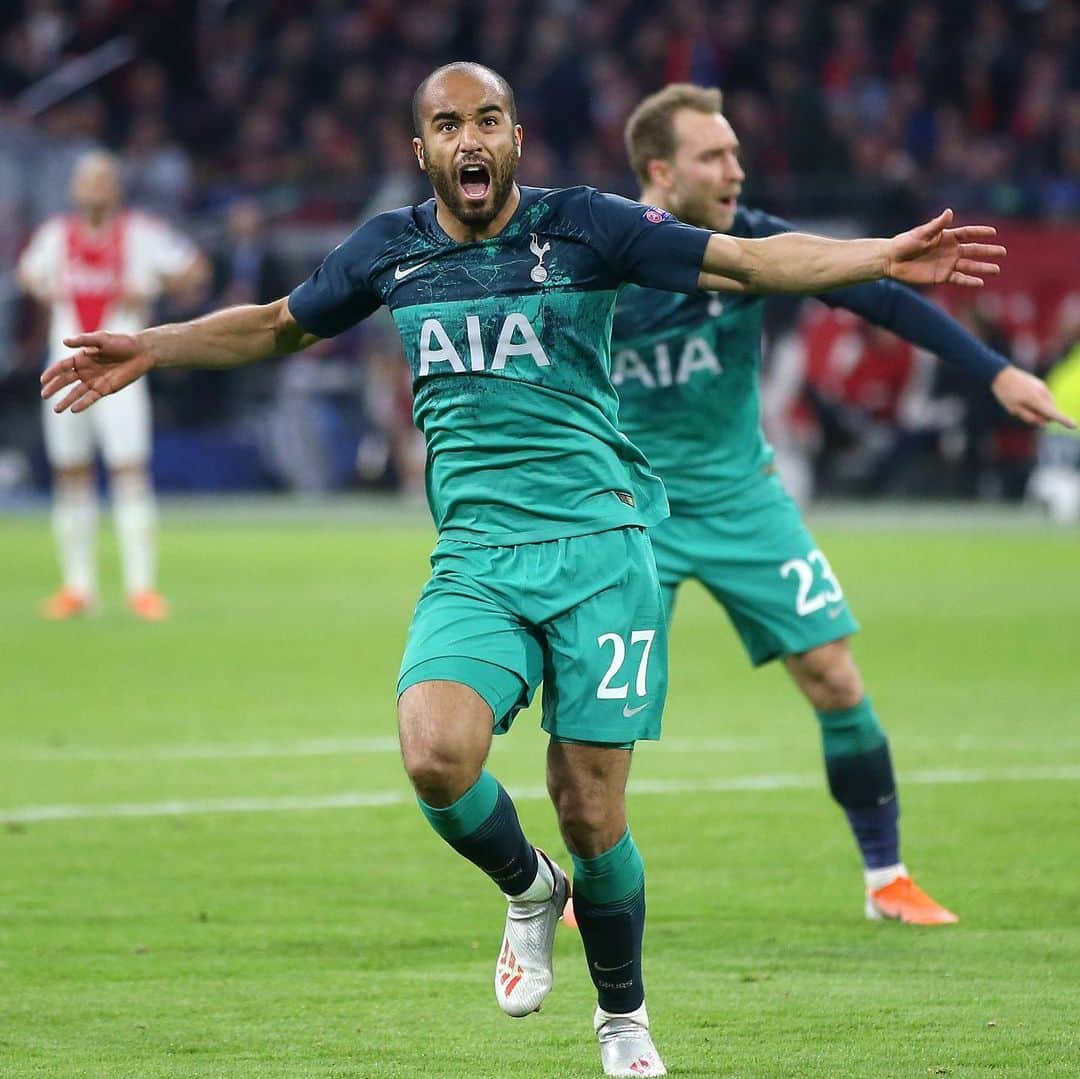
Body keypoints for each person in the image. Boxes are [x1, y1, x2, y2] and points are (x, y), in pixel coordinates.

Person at [41, 63, 1008, 1078]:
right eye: (448, 123)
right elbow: (278, 322)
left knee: (592, 808)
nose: (471, 138)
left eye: (489, 119)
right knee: (433, 752)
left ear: (514, 140)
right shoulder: (390, 250)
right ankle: (529, 884)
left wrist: (879, 256)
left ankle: (624, 1018)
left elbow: (749, 262)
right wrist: (152, 343)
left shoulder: (585, 228)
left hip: (603, 554)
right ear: (422, 150)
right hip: (478, 561)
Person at [604, 83, 1073, 927]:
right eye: (713, 157)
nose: (735, 170)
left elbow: (882, 296)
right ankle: (591, 882)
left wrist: (995, 371)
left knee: (833, 673)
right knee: (608, 711)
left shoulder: (753, 243)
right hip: (632, 511)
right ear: (659, 170)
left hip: (745, 500)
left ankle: (886, 877)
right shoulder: (601, 262)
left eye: (737, 152)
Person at [17, 150, 209, 620]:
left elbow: (195, 268)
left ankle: (141, 587)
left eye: (104, 180)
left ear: (116, 188)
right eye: (89, 181)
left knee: (128, 471)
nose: (96, 189)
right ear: (74, 189)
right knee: (71, 472)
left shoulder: (140, 235)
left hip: (122, 375)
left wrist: (158, 290)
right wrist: (47, 293)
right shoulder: (56, 237)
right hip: (63, 369)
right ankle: (78, 587)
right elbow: (27, 275)